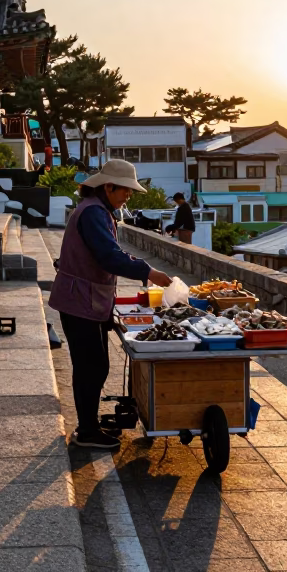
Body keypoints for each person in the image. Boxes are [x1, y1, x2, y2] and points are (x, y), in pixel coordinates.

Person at [49, 159, 172, 449]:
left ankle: (89, 423)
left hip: (87, 299)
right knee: (91, 366)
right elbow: (110, 256)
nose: (128, 196)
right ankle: (87, 431)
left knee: (95, 365)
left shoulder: (98, 210)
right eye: (125, 190)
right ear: (108, 186)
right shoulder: (93, 213)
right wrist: (148, 271)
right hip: (80, 300)